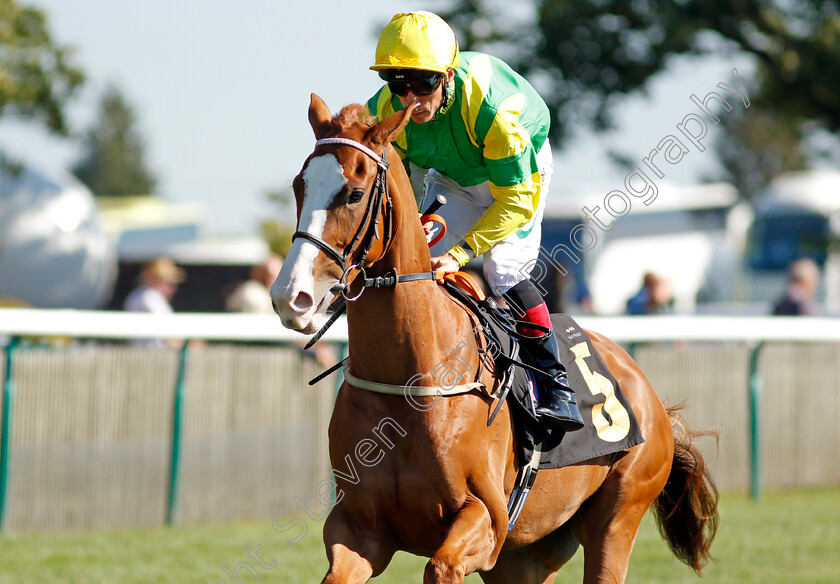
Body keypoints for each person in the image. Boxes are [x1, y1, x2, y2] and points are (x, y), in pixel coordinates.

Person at [367, 11, 582, 431]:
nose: (411, 99)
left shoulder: (494, 114)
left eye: (423, 83)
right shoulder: (384, 112)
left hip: (517, 179)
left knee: (502, 269)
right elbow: (399, 188)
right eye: (398, 84)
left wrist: (464, 252)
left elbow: (515, 200)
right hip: (454, 179)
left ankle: (556, 387)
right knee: (412, 261)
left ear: (447, 75)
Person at [124, 257, 185, 347]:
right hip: (152, 356)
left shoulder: (139, 295)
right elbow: (170, 336)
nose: (174, 287)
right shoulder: (149, 297)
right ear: (154, 279)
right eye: (169, 282)